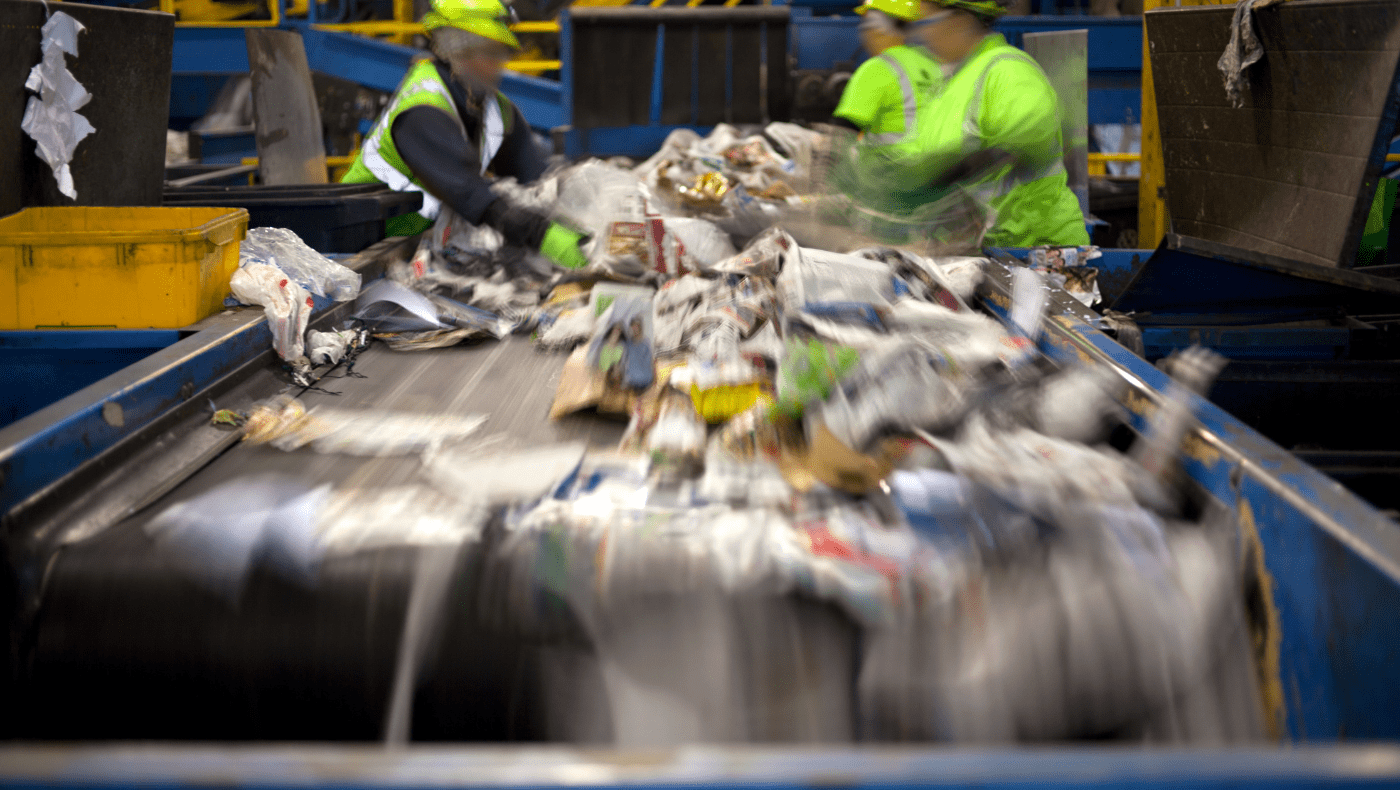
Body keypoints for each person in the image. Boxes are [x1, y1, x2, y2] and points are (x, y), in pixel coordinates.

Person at [341, 0, 588, 269]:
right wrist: (543, 235)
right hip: (357, 251)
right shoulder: (423, 109)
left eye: (500, 53)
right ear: (458, 52)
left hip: (415, 251)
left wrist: (576, 217)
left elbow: (536, 178)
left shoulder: (494, 109)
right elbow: (471, 194)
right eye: (490, 53)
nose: (500, 65)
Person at [910, 0, 1089, 247]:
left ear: (960, 22)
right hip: (987, 249)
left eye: (928, 21)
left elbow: (1030, 134)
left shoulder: (1007, 69)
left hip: (1036, 252)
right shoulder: (951, 83)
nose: (922, 33)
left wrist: (965, 166)